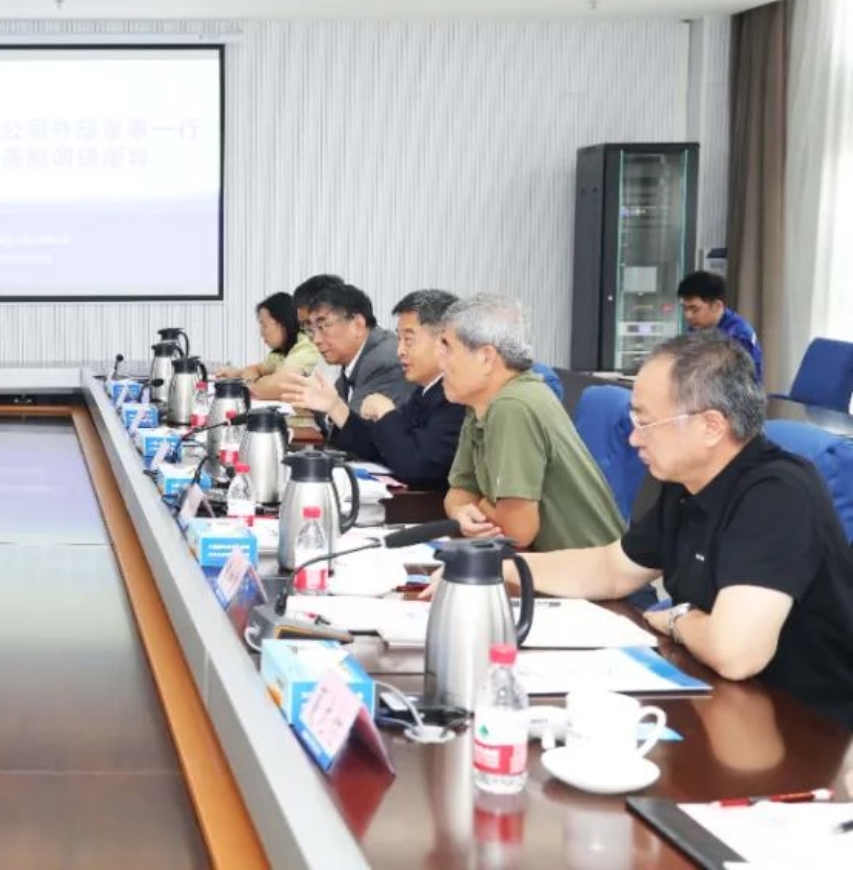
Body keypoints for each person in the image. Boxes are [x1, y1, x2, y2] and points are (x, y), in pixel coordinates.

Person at [489, 333, 853, 727]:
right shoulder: (688, 482)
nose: (633, 438)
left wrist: (679, 618)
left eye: (646, 423)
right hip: (716, 697)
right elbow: (611, 569)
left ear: (711, 426)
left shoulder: (777, 493)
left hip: (806, 729)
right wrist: (495, 567)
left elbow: (736, 653)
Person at [440, 293, 625, 551]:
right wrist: (461, 511)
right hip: (540, 562)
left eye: (447, 348)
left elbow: (517, 532)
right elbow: (460, 489)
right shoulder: (481, 403)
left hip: (586, 572)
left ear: (486, 357)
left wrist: (477, 506)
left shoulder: (513, 406)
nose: (440, 360)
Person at [323, 289, 467, 489]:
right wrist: (333, 405)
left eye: (408, 340)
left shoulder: (457, 397)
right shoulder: (425, 391)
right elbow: (379, 446)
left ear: (445, 341)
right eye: (399, 339)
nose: (399, 351)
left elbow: (419, 469)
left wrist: (386, 414)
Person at [279, 282, 413, 429]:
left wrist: (329, 408)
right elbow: (335, 415)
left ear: (358, 325)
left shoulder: (384, 362)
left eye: (323, 327)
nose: (316, 340)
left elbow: (357, 431)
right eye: (311, 330)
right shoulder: (353, 358)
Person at [215, 292, 322, 400]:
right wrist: (238, 374)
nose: (261, 333)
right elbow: (255, 369)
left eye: (264, 325)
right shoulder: (281, 351)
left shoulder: (307, 347)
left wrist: (250, 383)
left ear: (282, 323)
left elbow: (274, 387)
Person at [677, 271, 763, 381]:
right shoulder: (697, 327)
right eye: (685, 308)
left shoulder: (738, 335)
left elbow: (735, 382)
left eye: (695, 309)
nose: (688, 315)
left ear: (717, 305)